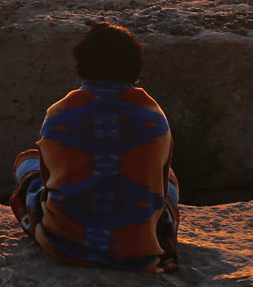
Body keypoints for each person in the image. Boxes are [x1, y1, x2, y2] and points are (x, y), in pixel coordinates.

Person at [10, 22, 180, 273]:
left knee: (27, 161)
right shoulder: (153, 115)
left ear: (82, 64)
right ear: (135, 66)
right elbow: (160, 185)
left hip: (65, 242)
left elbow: (49, 181)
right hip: (136, 249)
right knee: (172, 180)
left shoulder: (59, 113)